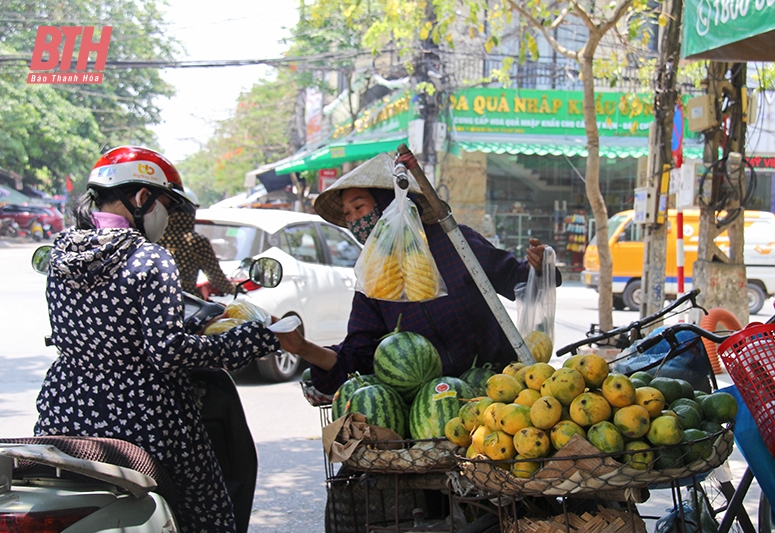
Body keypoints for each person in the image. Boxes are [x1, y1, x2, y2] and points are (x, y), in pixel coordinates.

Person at [34, 146, 280, 533]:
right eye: (164, 202)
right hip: (146, 418)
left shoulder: (61, 255)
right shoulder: (150, 258)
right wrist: (250, 340)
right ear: (142, 197)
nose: (167, 213)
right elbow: (167, 351)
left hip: (65, 413)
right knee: (210, 514)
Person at [275, 152, 561, 395]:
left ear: (389, 202)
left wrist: (540, 265)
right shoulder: (374, 278)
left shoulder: (456, 242)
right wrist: (303, 347)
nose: (354, 220)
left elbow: (515, 278)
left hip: (499, 391)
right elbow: (358, 353)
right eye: (348, 214)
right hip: (431, 404)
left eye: (359, 207)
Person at [157, 191, 237, 299]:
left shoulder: (154, 238)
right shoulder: (196, 241)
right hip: (186, 303)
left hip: (156, 301)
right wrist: (235, 289)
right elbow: (216, 278)